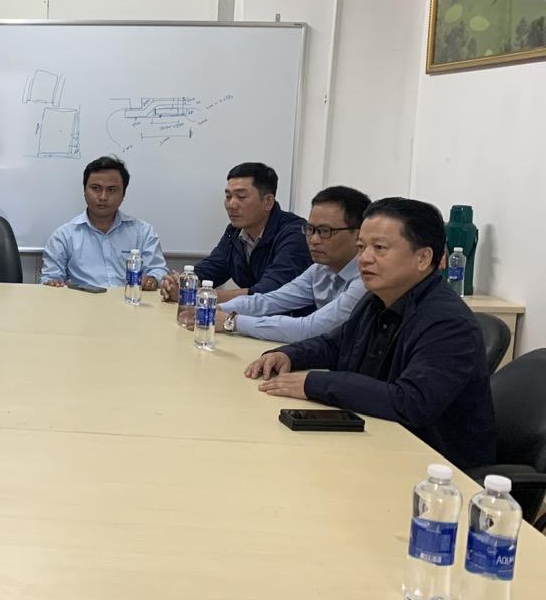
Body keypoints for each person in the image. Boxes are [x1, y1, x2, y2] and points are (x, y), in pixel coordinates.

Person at [245, 198, 495, 470]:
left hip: (435, 468)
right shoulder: (377, 299)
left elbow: (411, 402)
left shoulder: (447, 322)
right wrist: (288, 355)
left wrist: (314, 383)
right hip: (377, 441)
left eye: (380, 248)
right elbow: (336, 345)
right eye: (361, 247)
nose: (364, 258)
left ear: (423, 257)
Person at [209, 186, 370, 344]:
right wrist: (218, 309)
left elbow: (310, 329)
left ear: (359, 235)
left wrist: (232, 321)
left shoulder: (366, 279)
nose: (314, 240)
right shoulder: (320, 269)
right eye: (310, 229)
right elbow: (270, 301)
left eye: (325, 231)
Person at [160, 162, 311, 305]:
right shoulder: (235, 232)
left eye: (241, 197)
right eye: (228, 197)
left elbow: (268, 293)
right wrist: (181, 283)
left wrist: (197, 295)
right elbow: (212, 268)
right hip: (252, 318)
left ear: (268, 202)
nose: (231, 205)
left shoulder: (295, 234)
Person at [40, 155, 168, 289]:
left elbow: (158, 270)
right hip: (83, 301)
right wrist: (53, 283)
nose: (103, 197)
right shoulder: (63, 236)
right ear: (84, 191)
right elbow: (49, 278)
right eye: (95, 188)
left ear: (123, 194)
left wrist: (152, 280)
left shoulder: (143, 232)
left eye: (111, 190)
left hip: (129, 300)